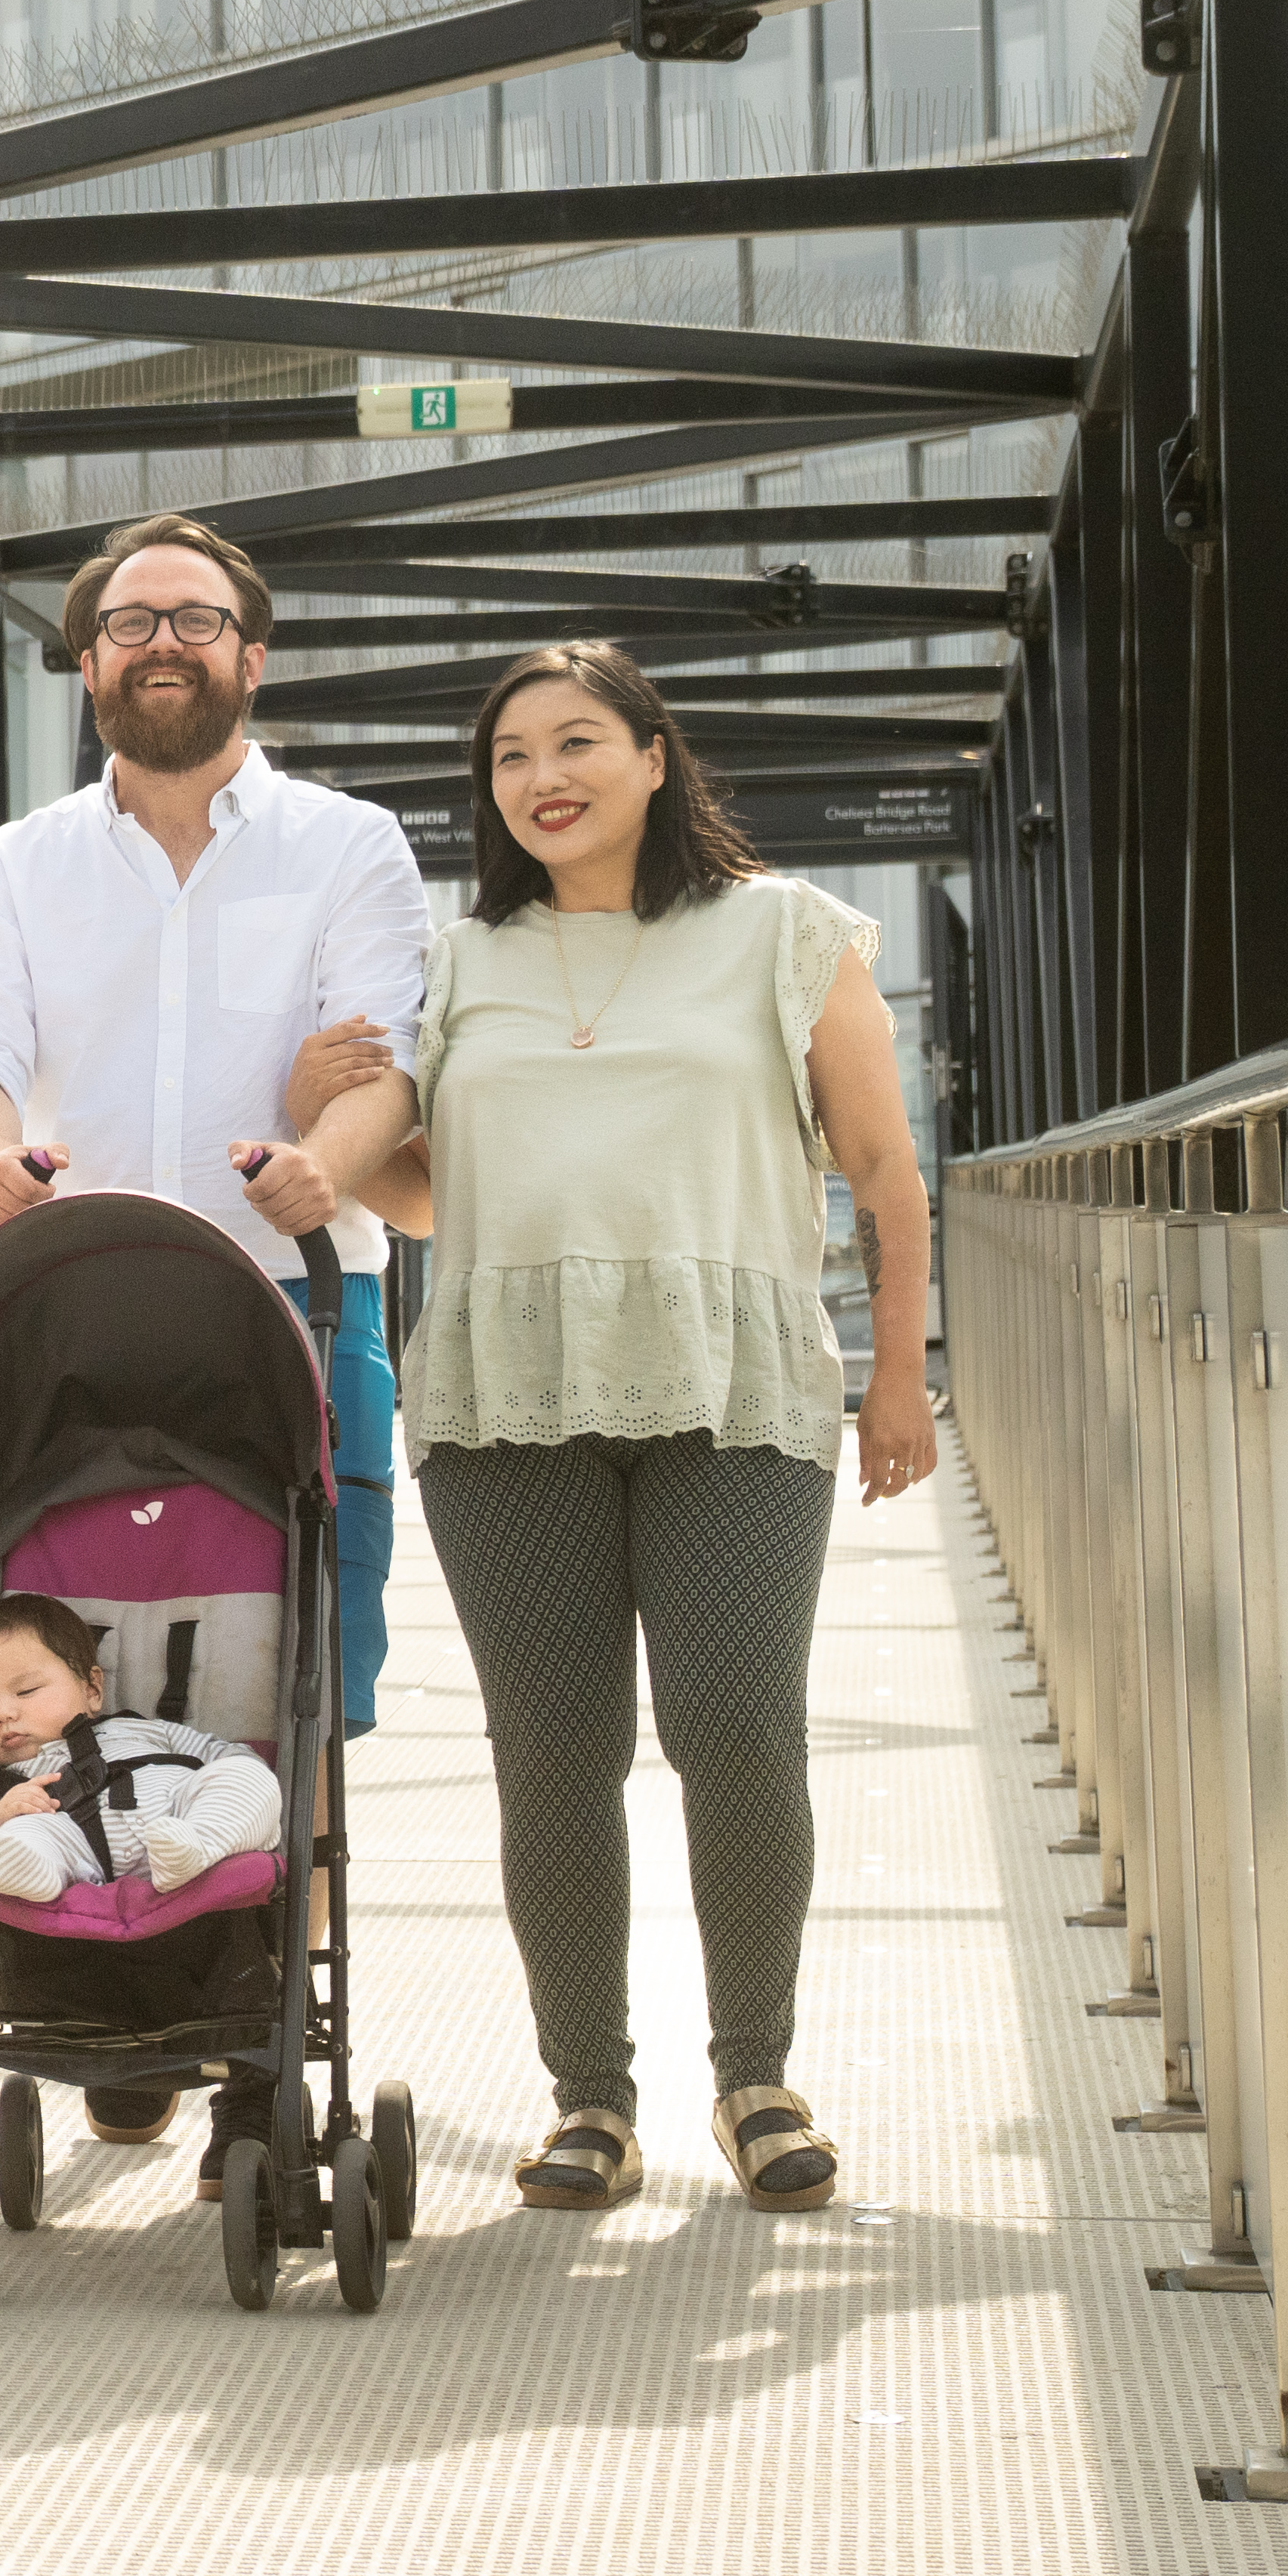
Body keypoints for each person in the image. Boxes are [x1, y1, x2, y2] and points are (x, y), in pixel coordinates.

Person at [344, 642, 934, 2216]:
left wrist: (898, 1374)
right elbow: (423, 1189)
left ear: (655, 756)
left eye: (580, 741)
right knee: (554, 1753)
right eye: (513, 756)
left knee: (736, 1730)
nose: (545, 776)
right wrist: (331, 1125)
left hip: (736, 1386)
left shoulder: (784, 935)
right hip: (507, 1394)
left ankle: (755, 2076)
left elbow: (883, 1172)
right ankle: (588, 2099)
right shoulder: (457, 958)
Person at [0, 505, 428, 2133]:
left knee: (295, 1696)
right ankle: (93, 1990)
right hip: (69, 1319)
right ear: (85, 666)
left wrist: (316, 1168)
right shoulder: (21, 863)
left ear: (252, 657)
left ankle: (253, 2048)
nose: (164, 644)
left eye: (197, 620)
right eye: (131, 624)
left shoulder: (350, 845)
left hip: (294, 1300)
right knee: (61, 1661)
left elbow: (383, 1063)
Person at [0, 1589, 278, 1909]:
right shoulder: (8, 1787)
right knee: (20, 1834)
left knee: (247, 1775)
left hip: (180, 1822)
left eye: (26, 1691)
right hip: (80, 1856)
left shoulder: (142, 1730)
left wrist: (236, 1781)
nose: (3, 1715)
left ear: (92, 1690)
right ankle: (31, 1870)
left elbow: (224, 1754)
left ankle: (199, 1845)